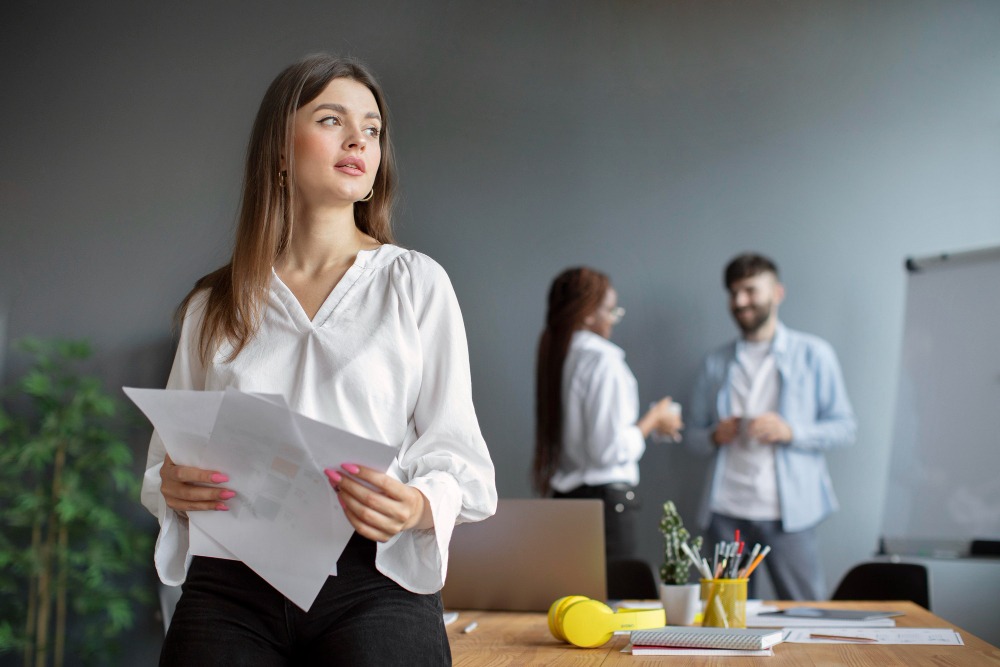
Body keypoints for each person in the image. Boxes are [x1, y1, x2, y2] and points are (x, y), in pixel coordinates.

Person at [140, 54, 496, 666]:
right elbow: (164, 465)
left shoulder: (414, 284)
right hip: (230, 586)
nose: (359, 138)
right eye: (332, 119)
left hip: (372, 582)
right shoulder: (213, 303)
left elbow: (458, 458)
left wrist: (415, 506)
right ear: (279, 151)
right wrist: (171, 485)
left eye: (373, 128)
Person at [686, 252, 856, 600]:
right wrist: (714, 436)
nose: (740, 301)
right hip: (726, 513)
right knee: (724, 621)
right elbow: (691, 437)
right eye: (733, 293)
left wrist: (792, 431)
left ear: (777, 293)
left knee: (805, 612)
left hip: (789, 515)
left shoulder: (814, 354)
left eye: (750, 290)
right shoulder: (715, 362)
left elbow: (845, 427)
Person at [532, 267, 683, 563]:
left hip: (568, 502)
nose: (614, 318)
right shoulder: (603, 360)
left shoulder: (561, 356)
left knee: (575, 603)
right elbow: (607, 451)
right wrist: (653, 419)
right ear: (588, 313)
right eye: (611, 310)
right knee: (606, 602)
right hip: (604, 507)